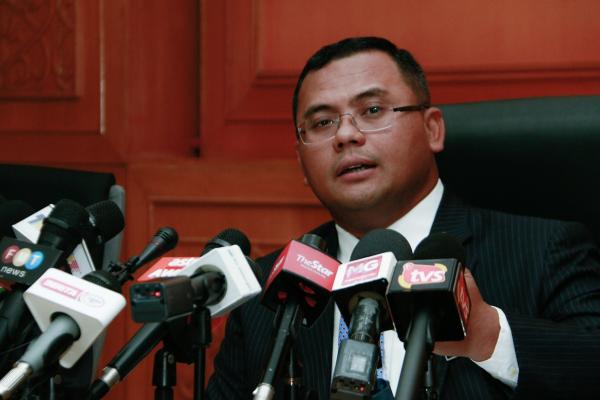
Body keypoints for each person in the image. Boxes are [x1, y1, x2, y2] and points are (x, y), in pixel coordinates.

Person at [205, 36, 600, 399]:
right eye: (323, 122)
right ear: (301, 163)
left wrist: (489, 336)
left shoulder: (543, 250)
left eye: (372, 110)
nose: (345, 135)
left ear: (432, 129)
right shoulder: (269, 294)